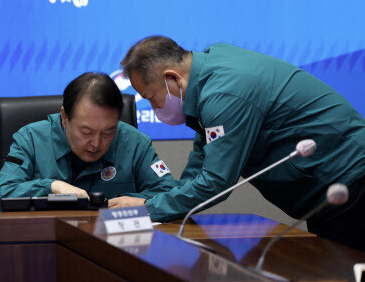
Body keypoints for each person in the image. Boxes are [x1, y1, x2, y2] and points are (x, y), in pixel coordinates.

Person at [110, 35, 365, 251]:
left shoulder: (224, 92)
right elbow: (203, 161)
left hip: (350, 180)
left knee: (341, 272)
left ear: (172, 78)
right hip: (331, 186)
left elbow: (217, 182)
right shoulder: (209, 74)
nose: (154, 108)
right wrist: (157, 203)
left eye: (151, 98)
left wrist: (149, 208)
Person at [0, 72, 177, 212]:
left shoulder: (134, 142)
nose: (96, 143)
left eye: (108, 131)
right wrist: (50, 187)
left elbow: (173, 195)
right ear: (64, 118)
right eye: (86, 132)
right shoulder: (31, 139)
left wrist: (144, 204)